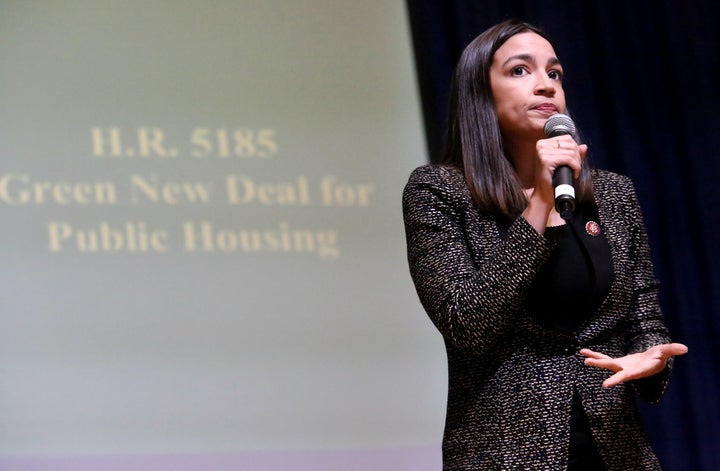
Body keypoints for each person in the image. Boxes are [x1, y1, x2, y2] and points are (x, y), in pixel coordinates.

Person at [402, 19, 688, 470]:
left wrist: (650, 357)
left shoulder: (613, 194)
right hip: (504, 453)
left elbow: (644, 316)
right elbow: (466, 325)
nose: (545, 85)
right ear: (481, 93)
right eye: (520, 71)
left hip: (617, 449)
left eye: (554, 73)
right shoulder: (439, 192)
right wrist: (538, 204)